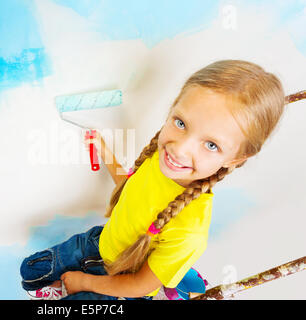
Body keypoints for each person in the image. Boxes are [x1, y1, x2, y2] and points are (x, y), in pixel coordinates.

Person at [20, 59, 286, 300]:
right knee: (29, 272)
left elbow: (139, 286)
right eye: (181, 123)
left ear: (235, 159)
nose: (180, 149)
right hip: (99, 243)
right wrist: (103, 148)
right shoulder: (162, 161)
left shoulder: (189, 231)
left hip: (123, 284)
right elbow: (130, 186)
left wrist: (84, 282)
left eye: (211, 145)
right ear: (172, 110)